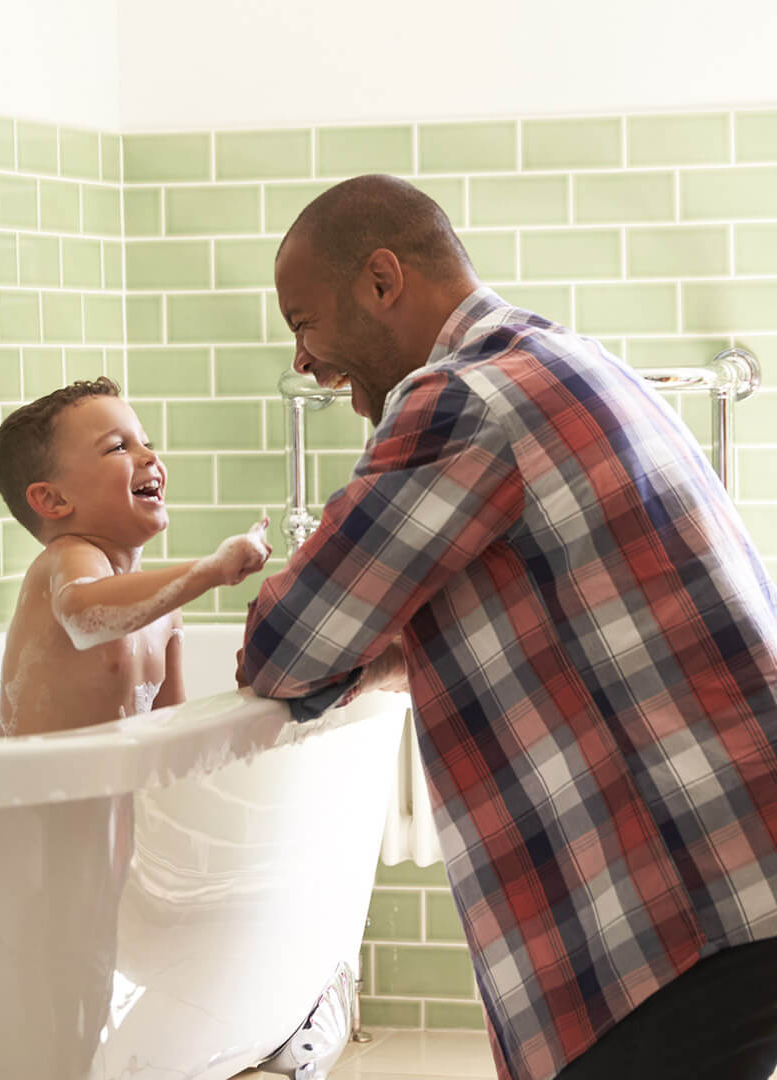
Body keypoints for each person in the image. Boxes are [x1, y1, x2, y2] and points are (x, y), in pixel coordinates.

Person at [239, 175, 777, 1080]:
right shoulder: (570, 358)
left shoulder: (461, 400)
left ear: (382, 280)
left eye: (305, 322)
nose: (306, 362)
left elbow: (285, 645)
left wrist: (358, 639)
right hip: (737, 868)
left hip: (679, 906)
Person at [0, 376, 270, 736]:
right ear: (53, 500)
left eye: (146, 444)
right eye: (118, 447)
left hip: (107, 773)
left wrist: (246, 699)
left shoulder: (163, 609)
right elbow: (83, 616)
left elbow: (173, 732)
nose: (150, 456)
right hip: (34, 775)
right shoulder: (67, 556)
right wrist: (210, 570)